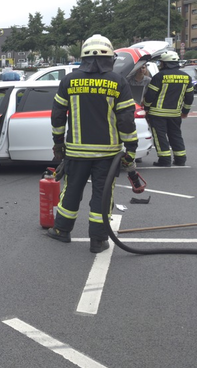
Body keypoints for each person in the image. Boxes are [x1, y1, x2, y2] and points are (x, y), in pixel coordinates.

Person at [47, 34, 138, 254]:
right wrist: (131, 150)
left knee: (71, 190)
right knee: (102, 195)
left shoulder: (69, 81)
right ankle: (98, 240)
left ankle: (61, 230)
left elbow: (57, 116)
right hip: (108, 154)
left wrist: (58, 143)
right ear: (110, 58)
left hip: (76, 152)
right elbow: (126, 120)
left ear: (83, 58)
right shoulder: (118, 82)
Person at [144, 51, 193, 166]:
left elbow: (150, 95)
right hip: (175, 114)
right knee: (175, 135)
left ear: (165, 63)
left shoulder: (159, 76)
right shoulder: (186, 77)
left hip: (157, 114)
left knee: (160, 137)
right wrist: (185, 111)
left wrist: (146, 107)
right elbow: (189, 97)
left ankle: (164, 160)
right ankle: (180, 159)